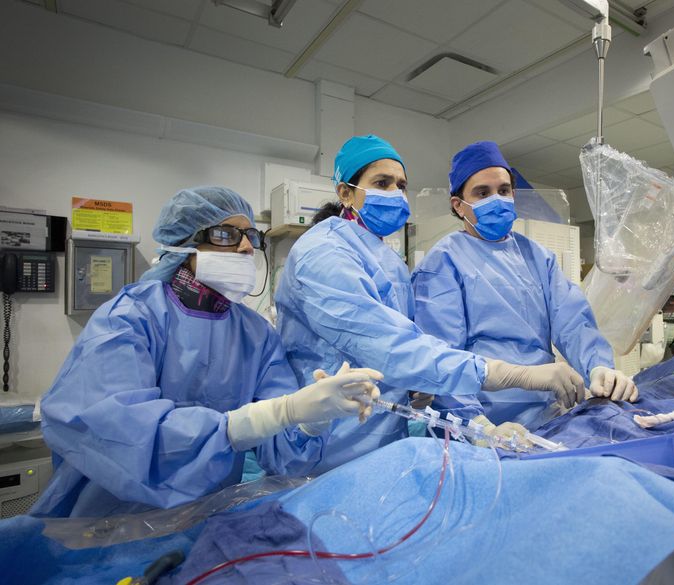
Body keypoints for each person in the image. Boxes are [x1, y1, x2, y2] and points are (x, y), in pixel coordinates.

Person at [32, 187, 381, 518]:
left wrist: (309, 421)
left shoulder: (255, 334)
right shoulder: (131, 317)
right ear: (184, 244)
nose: (246, 248)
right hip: (105, 523)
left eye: (250, 236)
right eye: (227, 234)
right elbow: (118, 433)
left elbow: (285, 456)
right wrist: (242, 424)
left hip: (203, 523)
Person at [275, 135, 588, 472]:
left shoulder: (390, 262)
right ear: (345, 192)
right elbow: (391, 348)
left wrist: (415, 389)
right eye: (382, 183)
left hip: (383, 439)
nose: (395, 193)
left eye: (401, 185)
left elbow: (416, 347)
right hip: (326, 441)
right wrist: (512, 374)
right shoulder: (324, 253)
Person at [411, 141, 637, 430]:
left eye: (504, 191)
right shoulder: (442, 264)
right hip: (481, 420)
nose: (497, 199)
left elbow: (573, 323)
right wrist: (476, 426)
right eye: (483, 193)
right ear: (459, 205)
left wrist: (598, 366)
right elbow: (443, 359)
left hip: (547, 413)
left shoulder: (538, 257)